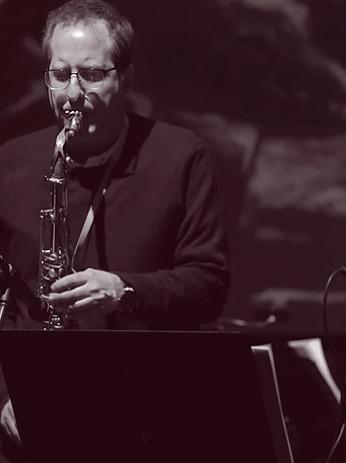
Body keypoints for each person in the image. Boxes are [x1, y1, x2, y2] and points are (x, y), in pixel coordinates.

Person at [0, 0, 230, 457]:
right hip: (24, 411)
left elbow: (209, 282)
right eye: (60, 74)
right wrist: (4, 397)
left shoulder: (181, 155)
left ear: (125, 77)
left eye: (90, 74)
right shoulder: (10, 161)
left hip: (144, 413)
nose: (72, 93)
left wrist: (125, 291)